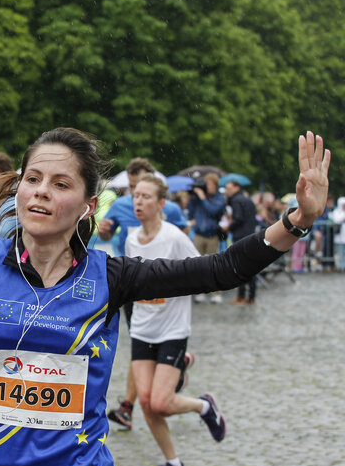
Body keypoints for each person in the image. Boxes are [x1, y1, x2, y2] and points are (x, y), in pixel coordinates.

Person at [0, 0, 330, 466]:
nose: (42, 191)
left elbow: (221, 269)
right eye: (33, 178)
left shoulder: (111, 277)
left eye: (61, 183)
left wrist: (299, 220)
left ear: (88, 205)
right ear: (19, 189)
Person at [126, 174, 225, 466]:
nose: (138, 202)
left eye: (145, 197)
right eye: (136, 196)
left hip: (172, 329)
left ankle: (204, 405)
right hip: (142, 328)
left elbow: (201, 274)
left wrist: (170, 285)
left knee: (161, 403)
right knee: (144, 401)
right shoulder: (130, 239)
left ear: (161, 204)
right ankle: (173, 463)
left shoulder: (174, 238)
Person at [98, 158, 189, 430]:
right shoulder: (120, 205)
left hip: (165, 297)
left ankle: (174, 363)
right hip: (133, 283)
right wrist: (105, 228)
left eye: (144, 191)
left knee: (154, 344)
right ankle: (128, 404)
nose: (138, 198)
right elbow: (107, 233)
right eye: (134, 189)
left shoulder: (169, 209)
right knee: (140, 343)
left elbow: (182, 236)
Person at [187, 172, 226, 303]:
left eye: (209, 184)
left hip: (212, 234)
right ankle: (200, 291)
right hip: (198, 233)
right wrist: (193, 195)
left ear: (215, 185)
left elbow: (213, 211)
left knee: (213, 265)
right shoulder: (197, 198)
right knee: (197, 264)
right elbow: (191, 211)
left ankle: (216, 293)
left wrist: (203, 198)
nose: (207, 186)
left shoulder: (219, 198)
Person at [224, 179, 259, 304]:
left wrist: (228, 227)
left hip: (240, 236)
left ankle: (241, 295)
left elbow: (238, 218)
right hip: (250, 234)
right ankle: (252, 296)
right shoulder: (247, 199)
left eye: (229, 188)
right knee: (251, 266)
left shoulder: (236, 200)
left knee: (239, 267)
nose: (228, 191)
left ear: (236, 188)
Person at [332, 196, 345, 272]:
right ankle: (341, 266)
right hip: (339, 237)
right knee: (340, 252)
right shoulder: (336, 211)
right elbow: (337, 220)